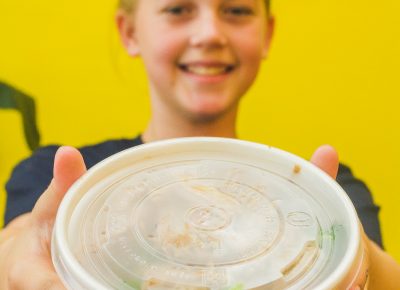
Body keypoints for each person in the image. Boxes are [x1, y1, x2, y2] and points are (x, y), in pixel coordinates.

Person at [1, 0, 399, 289]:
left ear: (267, 34)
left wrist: (346, 253)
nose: (210, 33)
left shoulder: (321, 188)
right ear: (131, 31)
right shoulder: (60, 178)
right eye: (178, 9)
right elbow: (19, 243)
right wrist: (18, 257)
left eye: (237, 11)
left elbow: (383, 275)